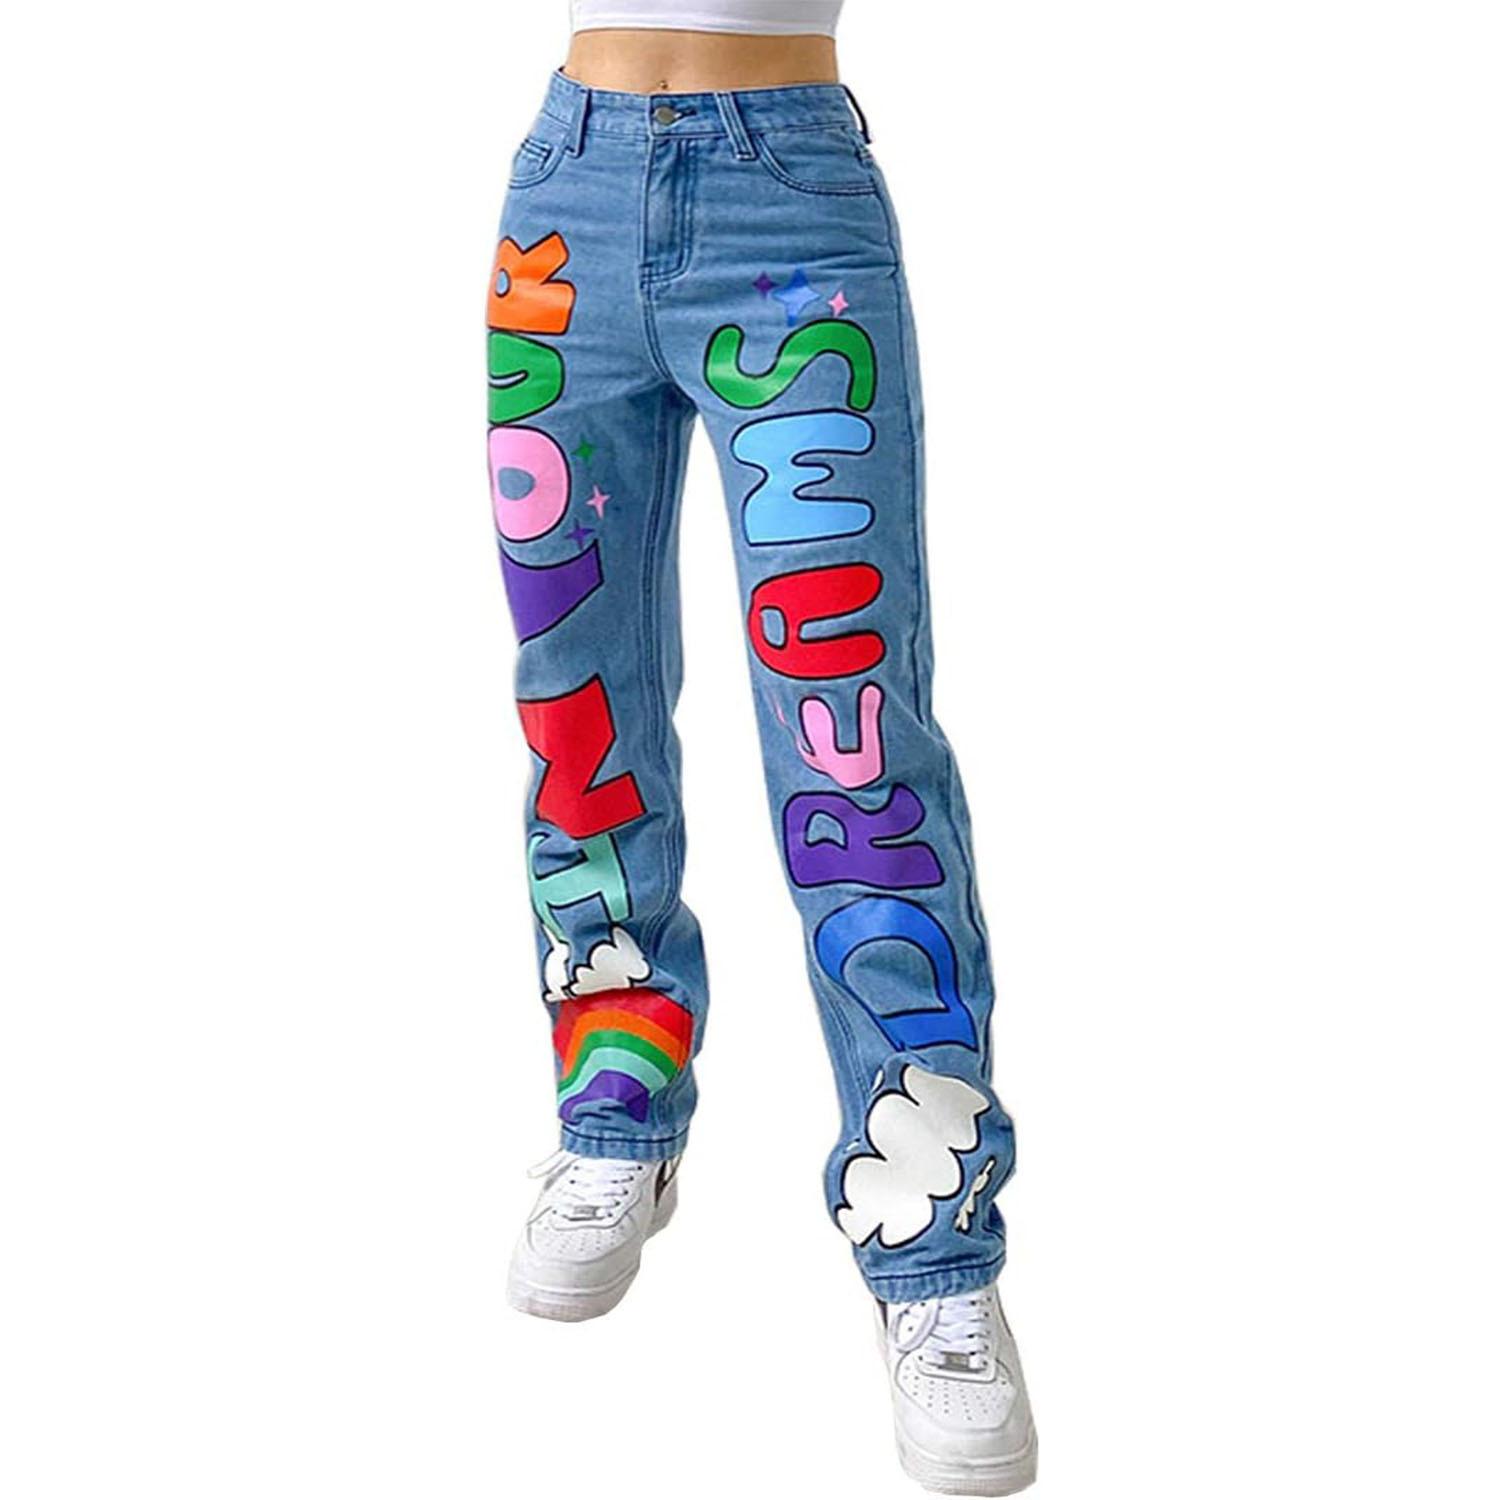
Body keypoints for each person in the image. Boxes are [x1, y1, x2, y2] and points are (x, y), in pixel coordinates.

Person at [487, 4, 1037, 1492]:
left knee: (852, 739)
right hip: (565, 197)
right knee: (577, 706)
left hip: (784, 192)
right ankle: (617, 1108)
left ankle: (934, 1245)